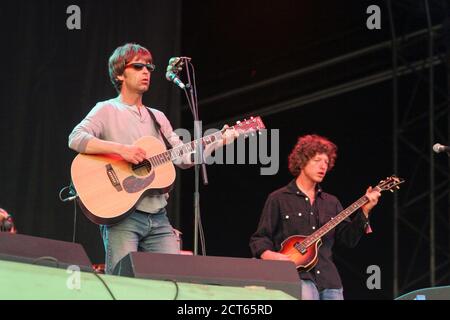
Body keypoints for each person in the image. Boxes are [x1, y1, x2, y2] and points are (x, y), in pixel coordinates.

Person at [68, 43, 238, 274]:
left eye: (149, 67)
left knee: (174, 280)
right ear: (120, 74)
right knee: (122, 283)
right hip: (122, 218)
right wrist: (122, 150)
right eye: (138, 66)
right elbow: (75, 138)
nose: (146, 72)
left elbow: (182, 158)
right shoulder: (106, 109)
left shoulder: (158, 117)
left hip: (158, 217)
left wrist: (220, 140)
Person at [249, 134, 381, 300]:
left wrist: (365, 211)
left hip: (329, 281)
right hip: (296, 278)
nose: (323, 166)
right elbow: (260, 238)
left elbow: (348, 239)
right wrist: (272, 256)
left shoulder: (331, 202)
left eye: (326, 162)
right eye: (317, 160)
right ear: (302, 161)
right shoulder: (279, 198)